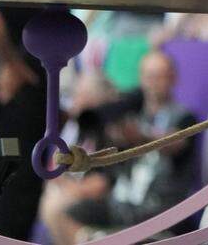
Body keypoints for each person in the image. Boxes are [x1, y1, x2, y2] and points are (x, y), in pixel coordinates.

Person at [40, 51, 197, 244]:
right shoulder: (132, 113)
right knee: (64, 212)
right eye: (149, 76)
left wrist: (141, 136)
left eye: (159, 76)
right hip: (122, 202)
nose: (153, 83)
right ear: (141, 79)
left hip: (158, 207)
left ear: (173, 78)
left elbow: (175, 143)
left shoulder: (184, 117)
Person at [0, 6, 45, 239]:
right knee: (17, 185)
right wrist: (12, 64)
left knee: (5, 179)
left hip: (22, 95)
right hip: (20, 96)